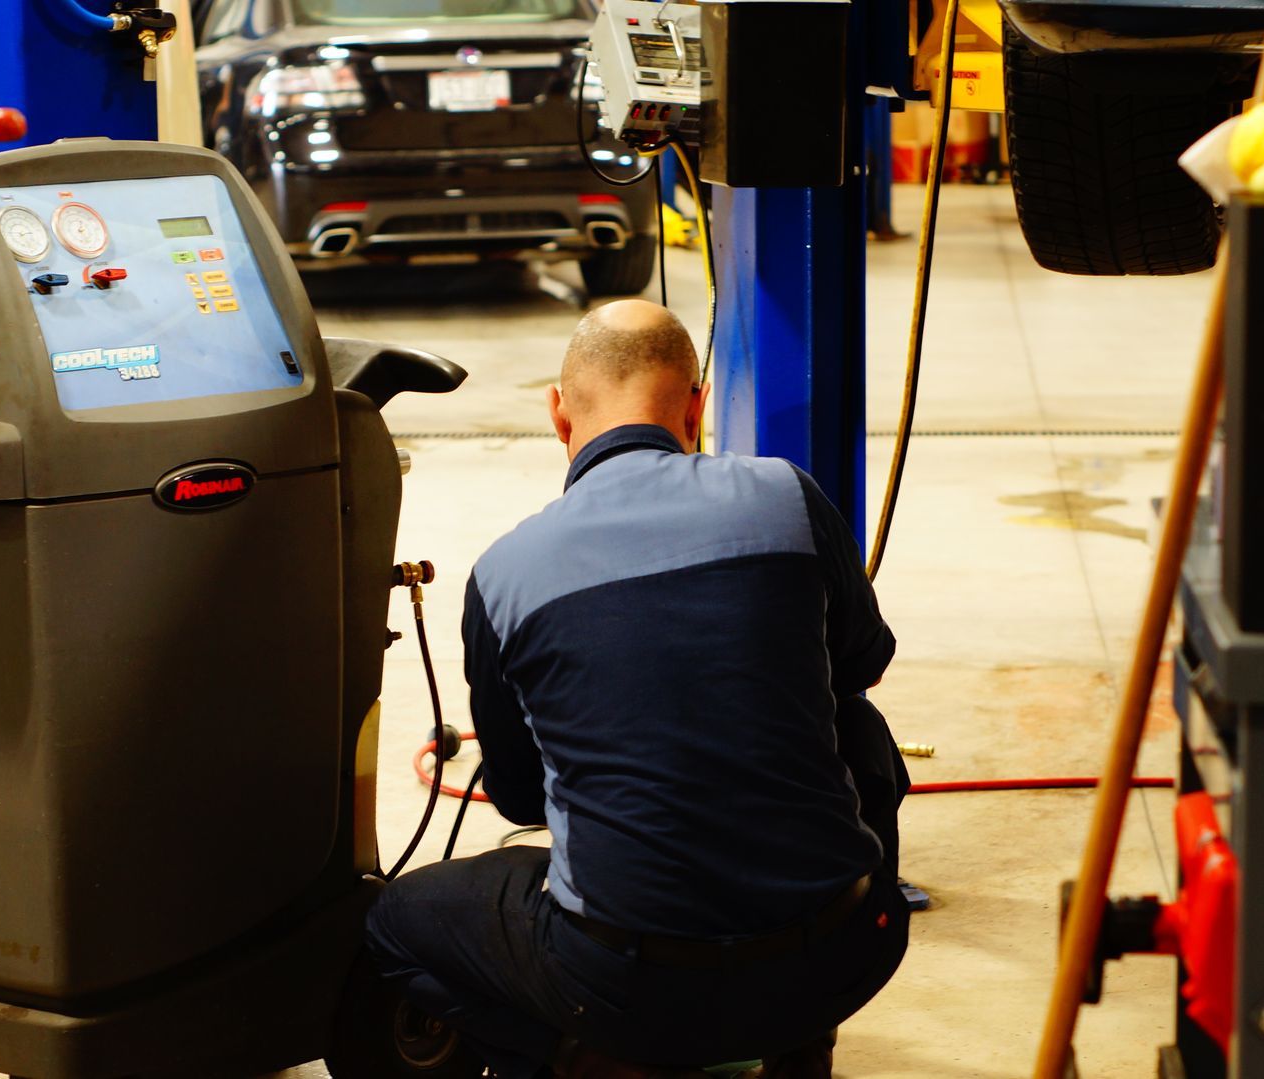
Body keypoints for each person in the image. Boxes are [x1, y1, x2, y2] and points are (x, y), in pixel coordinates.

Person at [364, 301, 909, 1079]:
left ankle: (583, 1061)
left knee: (394, 922)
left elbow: (519, 795)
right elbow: (864, 662)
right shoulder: (786, 495)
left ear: (558, 415)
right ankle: (797, 1041)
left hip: (629, 986)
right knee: (856, 721)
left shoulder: (505, 573)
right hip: (845, 951)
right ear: (697, 405)